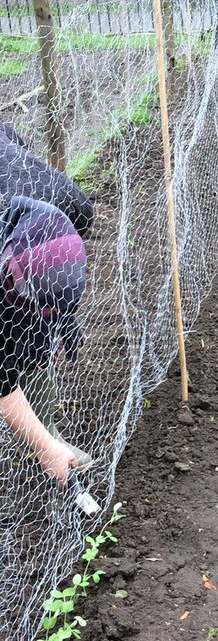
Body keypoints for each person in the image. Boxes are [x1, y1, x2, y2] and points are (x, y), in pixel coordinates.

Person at [0, 126, 93, 487]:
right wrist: (44, 447)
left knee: (34, 335)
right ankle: (41, 437)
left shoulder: (69, 203)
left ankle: (43, 425)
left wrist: (58, 312)